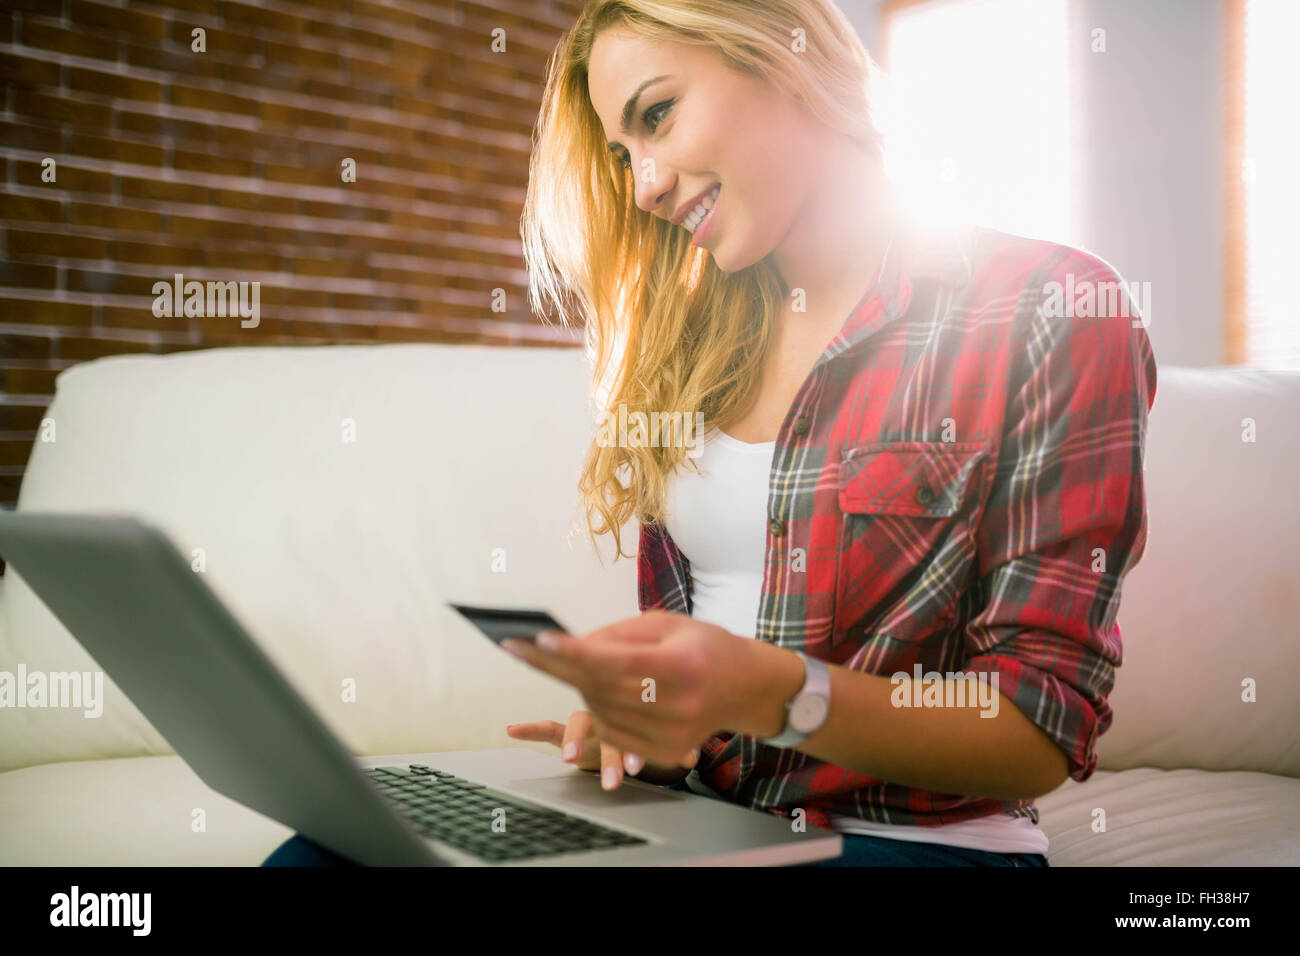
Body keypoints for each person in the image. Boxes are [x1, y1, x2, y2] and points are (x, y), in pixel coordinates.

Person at [265, 0, 1155, 867]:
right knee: (322, 853)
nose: (644, 185)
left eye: (658, 115)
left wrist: (770, 692)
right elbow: (694, 655)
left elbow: (1039, 726)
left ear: (782, 51)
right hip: (695, 818)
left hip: (904, 841)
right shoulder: (694, 347)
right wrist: (650, 728)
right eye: (624, 153)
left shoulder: (1049, 308)